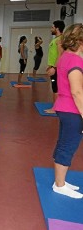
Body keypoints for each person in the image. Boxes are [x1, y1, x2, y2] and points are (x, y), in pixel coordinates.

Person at [52, 23, 83, 199]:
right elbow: (77, 91)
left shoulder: (64, 57)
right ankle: (59, 184)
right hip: (72, 109)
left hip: (63, 107)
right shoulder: (76, 60)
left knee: (64, 143)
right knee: (68, 146)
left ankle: (60, 180)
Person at [45, 20, 65, 113]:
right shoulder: (55, 39)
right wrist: (50, 66)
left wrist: (55, 68)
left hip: (57, 68)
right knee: (54, 87)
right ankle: (56, 107)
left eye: (52, 27)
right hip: (53, 66)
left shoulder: (60, 39)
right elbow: (53, 54)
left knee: (55, 87)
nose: (51, 29)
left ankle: (55, 109)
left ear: (57, 28)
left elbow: (60, 54)